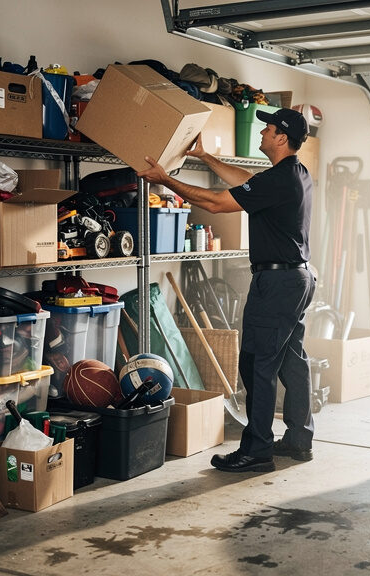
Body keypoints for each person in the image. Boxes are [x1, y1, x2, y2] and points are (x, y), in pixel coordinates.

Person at [136, 108, 316, 473]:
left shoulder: (281, 179)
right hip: (297, 279)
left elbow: (217, 203)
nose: (262, 133)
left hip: (278, 283)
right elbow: (246, 180)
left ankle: (257, 449)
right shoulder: (292, 174)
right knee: (292, 362)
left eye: (267, 129)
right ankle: (299, 440)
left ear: (282, 138)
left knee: (257, 365)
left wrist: (165, 179)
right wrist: (204, 156)